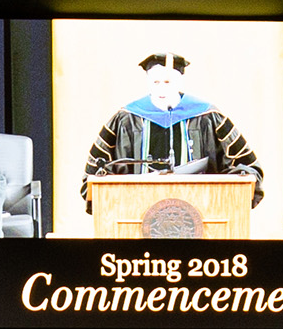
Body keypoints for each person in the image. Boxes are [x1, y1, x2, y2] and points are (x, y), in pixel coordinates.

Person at [83, 52, 263, 212]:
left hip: (200, 210)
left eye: (168, 82)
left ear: (179, 82)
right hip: (136, 211)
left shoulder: (208, 116)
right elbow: (97, 171)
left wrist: (234, 180)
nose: (161, 88)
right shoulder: (126, 118)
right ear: (148, 82)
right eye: (156, 82)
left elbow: (246, 166)